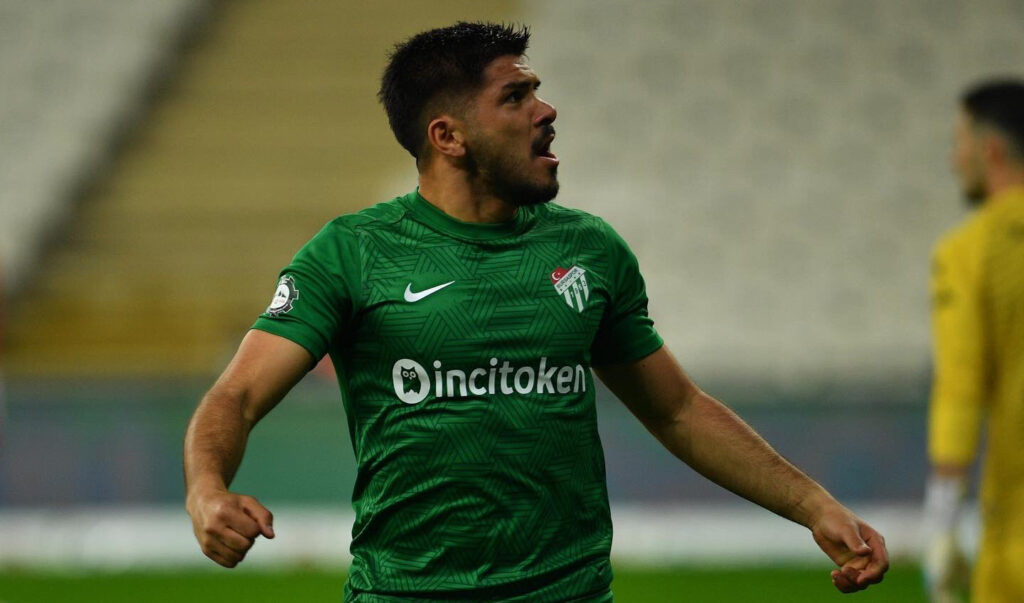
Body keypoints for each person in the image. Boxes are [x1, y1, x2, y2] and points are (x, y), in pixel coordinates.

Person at [184, 22, 888, 601]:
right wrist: (207, 490)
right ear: (448, 137)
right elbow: (237, 395)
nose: (545, 112)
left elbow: (677, 409)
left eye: (536, 92)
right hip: (406, 594)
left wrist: (813, 505)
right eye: (515, 97)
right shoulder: (352, 254)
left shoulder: (589, 250)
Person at [922, 79, 1024, 603]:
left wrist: (941, 524)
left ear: (992, 150)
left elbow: (961, 387)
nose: (953, 159)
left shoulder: (969, 253)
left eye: (959, 142)